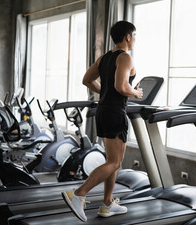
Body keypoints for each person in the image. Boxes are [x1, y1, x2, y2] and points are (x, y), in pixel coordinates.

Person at [61, 21, 143, 222]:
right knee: (114, 162)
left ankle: (107, 204)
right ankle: (78, 194)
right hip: (115, 112)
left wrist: (104, 92)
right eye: (135, 35)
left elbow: (87, 80)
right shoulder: (125, 57)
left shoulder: (104, 58)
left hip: (103, 111)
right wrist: (136, 92)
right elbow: (122, 87)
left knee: (113, 161)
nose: (135, 39)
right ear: (128, 37)